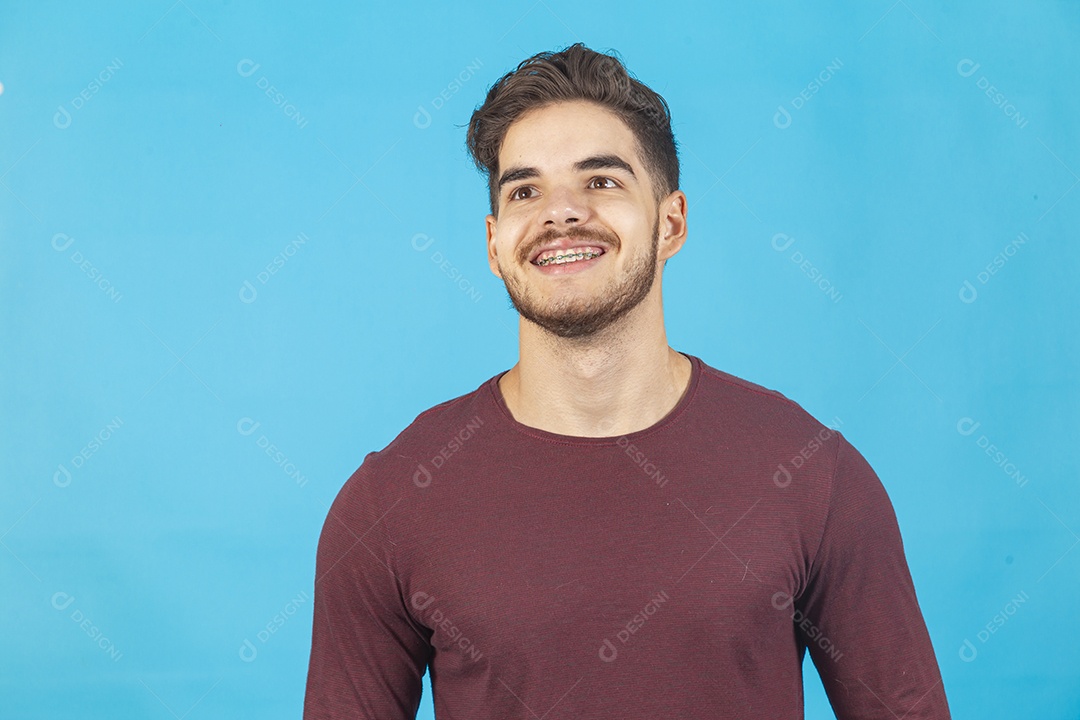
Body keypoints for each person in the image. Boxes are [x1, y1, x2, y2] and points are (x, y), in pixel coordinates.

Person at [302, 42, 951, 719]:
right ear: (494, 244)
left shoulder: (813, 476)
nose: (560, 212)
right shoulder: (392, 500)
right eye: (526, 190)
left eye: (601, 180)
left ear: (671, 223)